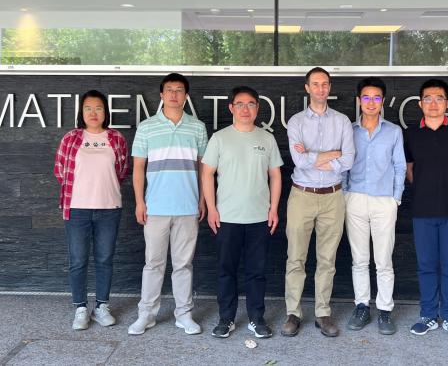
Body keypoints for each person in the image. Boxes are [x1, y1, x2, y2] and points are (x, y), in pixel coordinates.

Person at [127, 73, 208, 336]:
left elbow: (204, 168)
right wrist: (139, 202)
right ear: (161, 95)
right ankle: (146, 314)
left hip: (187, 206)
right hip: (155, 208)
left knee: (184, 265)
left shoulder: (197, 127)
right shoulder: (147, 127)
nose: (174, 94)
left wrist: (202, 200)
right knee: (153, 263)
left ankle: (184, 314)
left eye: (179, 89)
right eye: (169, 90)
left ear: (186, 95)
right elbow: (138, 168)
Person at [201, 86, 283, 339]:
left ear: (257, 108)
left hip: (259, 217)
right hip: (227, 217)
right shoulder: (220, 138)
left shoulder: (266, 139)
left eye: (250, 104)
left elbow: (275, 175)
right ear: (231, 108)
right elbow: (207, 173)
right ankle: (226, 319)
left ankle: (257, 318)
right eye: (240, 104)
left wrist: (274, 208)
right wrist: (212, 208)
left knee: (257, 272)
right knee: (226, 271)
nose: (245, 109)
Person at [281, 67, 355, 338]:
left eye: (325, 84)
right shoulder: (297, 122)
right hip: (302, 195)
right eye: (315, 84)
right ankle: (293, 313)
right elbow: (299, 161)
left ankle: (322, 313)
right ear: (307, 88)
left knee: (327, 259)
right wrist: (332, 154)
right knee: (295, 258)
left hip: (333, 197)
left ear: (329, 87)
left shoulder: (343, 121)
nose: (321, 88)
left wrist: (315, 156)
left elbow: (348, 160)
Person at [404, 79, 448, 340]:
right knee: (426, 265)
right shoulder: (411, 133)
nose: (433, 103)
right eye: (428, 98)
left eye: (439, 98)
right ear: (420, 103)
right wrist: (426, 188)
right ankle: (428, 315)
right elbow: (409, 169)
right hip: (422, 209)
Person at [54, 89, 129, 330]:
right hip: (77, 209)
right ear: (81, 112)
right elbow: (60, 170)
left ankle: (101, 306)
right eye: (88, 108)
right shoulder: (71, 138)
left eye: (98, 108)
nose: (93, 113)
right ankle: (80, 308)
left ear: (105, 112)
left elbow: (122, 170)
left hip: (109, 208)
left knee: (105, 259)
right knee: (78, 260)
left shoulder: (116, 138)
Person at [343, 77, 406, 335]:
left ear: (383, 101)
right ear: (359, 101)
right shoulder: (349, 130)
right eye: (366, 97)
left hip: (384, 200)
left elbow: (400, 166)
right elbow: (344, 164)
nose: (371, 102)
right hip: (355, 198)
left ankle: (385, 310)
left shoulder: (393, 131)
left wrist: (395, 198)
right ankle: (362, 306)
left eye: (376, 97)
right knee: (359, 259)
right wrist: (345, 195)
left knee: (383, 260)